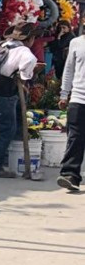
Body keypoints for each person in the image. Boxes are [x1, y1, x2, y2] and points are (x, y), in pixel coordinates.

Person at [0, 24, 38, 179]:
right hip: (4, 93)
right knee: (5, 128)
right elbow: (27, 72)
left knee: (9, 126)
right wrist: (27, 77)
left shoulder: (3, 45)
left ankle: (5, 159)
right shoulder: (25, 53)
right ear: (30, 38)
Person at [57, 28, 85, 191]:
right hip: (78, 98)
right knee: (75, 138)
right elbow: (69, 70)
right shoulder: (76, 42)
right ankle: (70, 175)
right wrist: (64, 94)